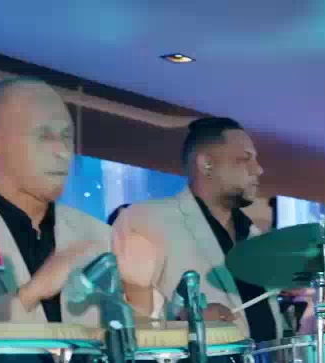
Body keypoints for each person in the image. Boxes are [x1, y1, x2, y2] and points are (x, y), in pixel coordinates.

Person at [112, 117, 283, 341]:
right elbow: (118, 312)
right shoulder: (144, 220)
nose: (258, 169)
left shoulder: (254, 237)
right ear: (206, 164)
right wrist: (185, 319)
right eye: (245, 159)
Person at [0, 77, 108, 324]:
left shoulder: (101, 237)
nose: (63, 152)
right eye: (44, 135)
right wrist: (32, 293)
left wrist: (141, 294)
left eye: (67, 136)